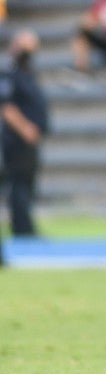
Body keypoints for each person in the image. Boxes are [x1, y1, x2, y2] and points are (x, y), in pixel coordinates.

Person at [1, 31, 49, 237]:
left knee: (28, 182)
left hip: (30, 139)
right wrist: (25, 128)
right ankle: (21, 228)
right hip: (17, 139)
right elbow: (7, 107)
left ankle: (26, 224)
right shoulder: (10, 74)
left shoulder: (28, 73)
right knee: (18, 182)